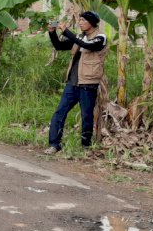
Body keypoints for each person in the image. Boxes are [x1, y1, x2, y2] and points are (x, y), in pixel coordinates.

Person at [45, 11, 108, 154]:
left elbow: (86, 44)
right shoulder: (79, 36)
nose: (80, 22)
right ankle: (54, 144)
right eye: (79, 20)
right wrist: (52, 33)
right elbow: (59, 46)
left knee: (87, 116)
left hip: (88, 83)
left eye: (83, 20)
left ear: (91, 23)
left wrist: (66, 31)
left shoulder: (100, 38)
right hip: (72, 83)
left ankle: (85, 146)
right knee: (59, 112)